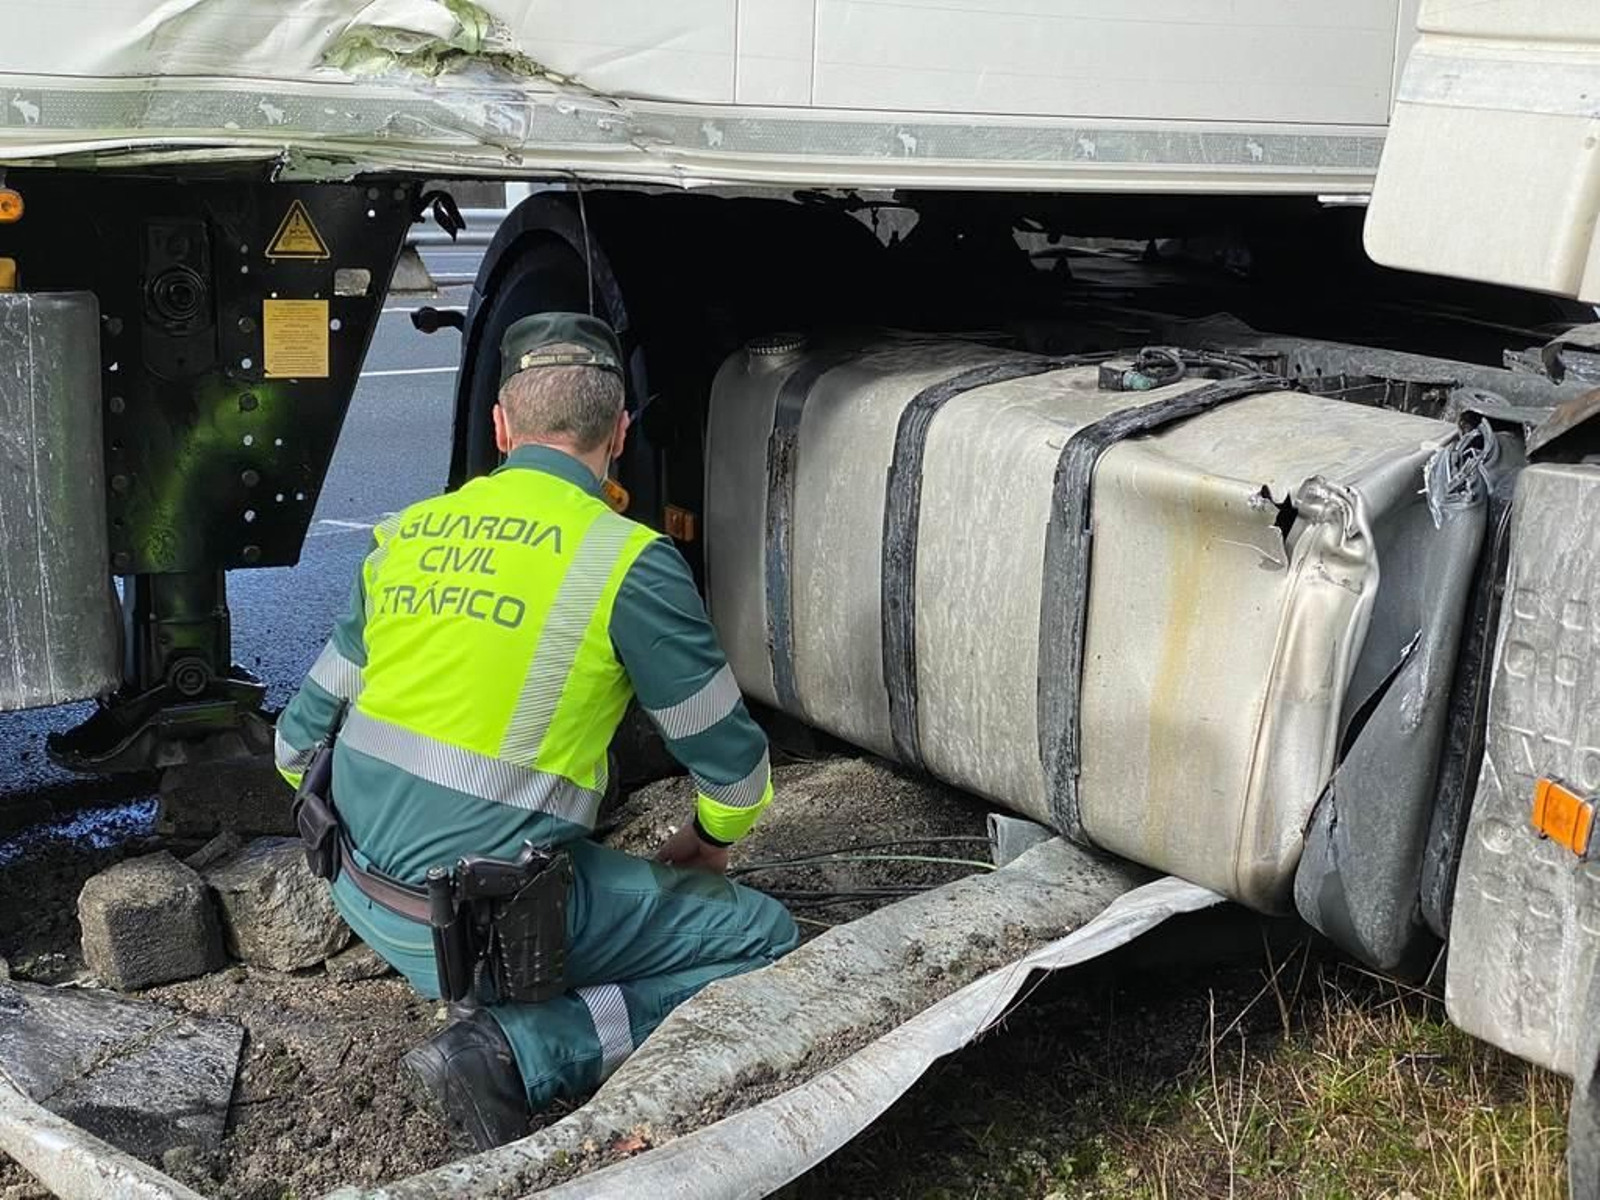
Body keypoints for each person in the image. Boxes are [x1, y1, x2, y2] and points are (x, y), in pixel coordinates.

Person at [274, 312, 797, 1151]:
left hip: (355, 885)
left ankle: (486, 975)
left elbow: (295, 748)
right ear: (619, 433)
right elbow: (735, 777)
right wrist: (708, 843)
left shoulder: (402, 535)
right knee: (764, 939)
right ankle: (522, 1053)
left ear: (502, 425)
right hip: (483, 935)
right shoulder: (624, 559)